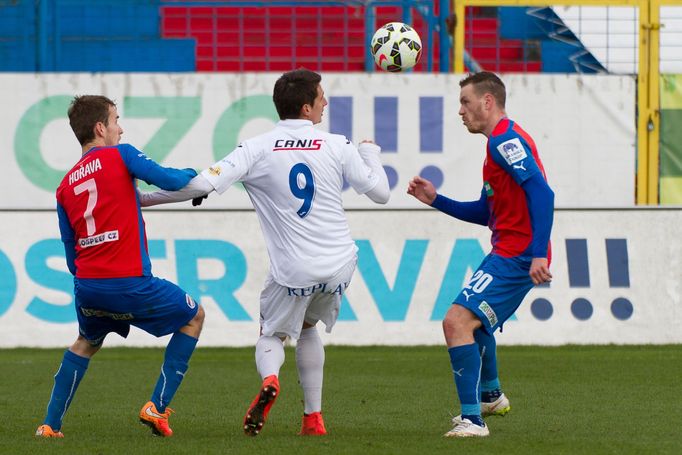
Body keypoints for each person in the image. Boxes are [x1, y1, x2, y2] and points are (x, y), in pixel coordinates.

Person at [137, 68, 390, 436]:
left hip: (295, 270)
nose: (326, 102)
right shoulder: (338, 144)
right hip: (340, 264)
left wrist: (141, 200)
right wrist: (370, 152)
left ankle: (271, 378)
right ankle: (313, 420)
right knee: (307, 328)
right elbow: (381, 193)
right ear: (306, 108)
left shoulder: (256, 148)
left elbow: (197, 186)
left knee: (271, 334)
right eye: (321, 96)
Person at [35, 95, 205, 439]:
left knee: (85, 342)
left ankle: (50, 426)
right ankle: (156, 408)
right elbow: (170, 180)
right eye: (116, 120)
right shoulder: (121, 156)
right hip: (130, 284)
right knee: (194, 316)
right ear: (100, 128)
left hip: (88, 286)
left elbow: (71, 256)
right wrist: (198, 178)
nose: (120, 128)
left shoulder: (65, 186)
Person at [407, 71, 554, 438]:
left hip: (519, 255)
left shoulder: (504, 139)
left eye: (465, 102)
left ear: (488, 102)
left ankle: (473, 420)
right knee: (476, 320)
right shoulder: (497, 146)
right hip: (507, 250)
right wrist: (435, 199)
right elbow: (488, 213)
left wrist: (538, 255)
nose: (461, 111)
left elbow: (543, 193)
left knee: (456, 321)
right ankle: (490, 396)